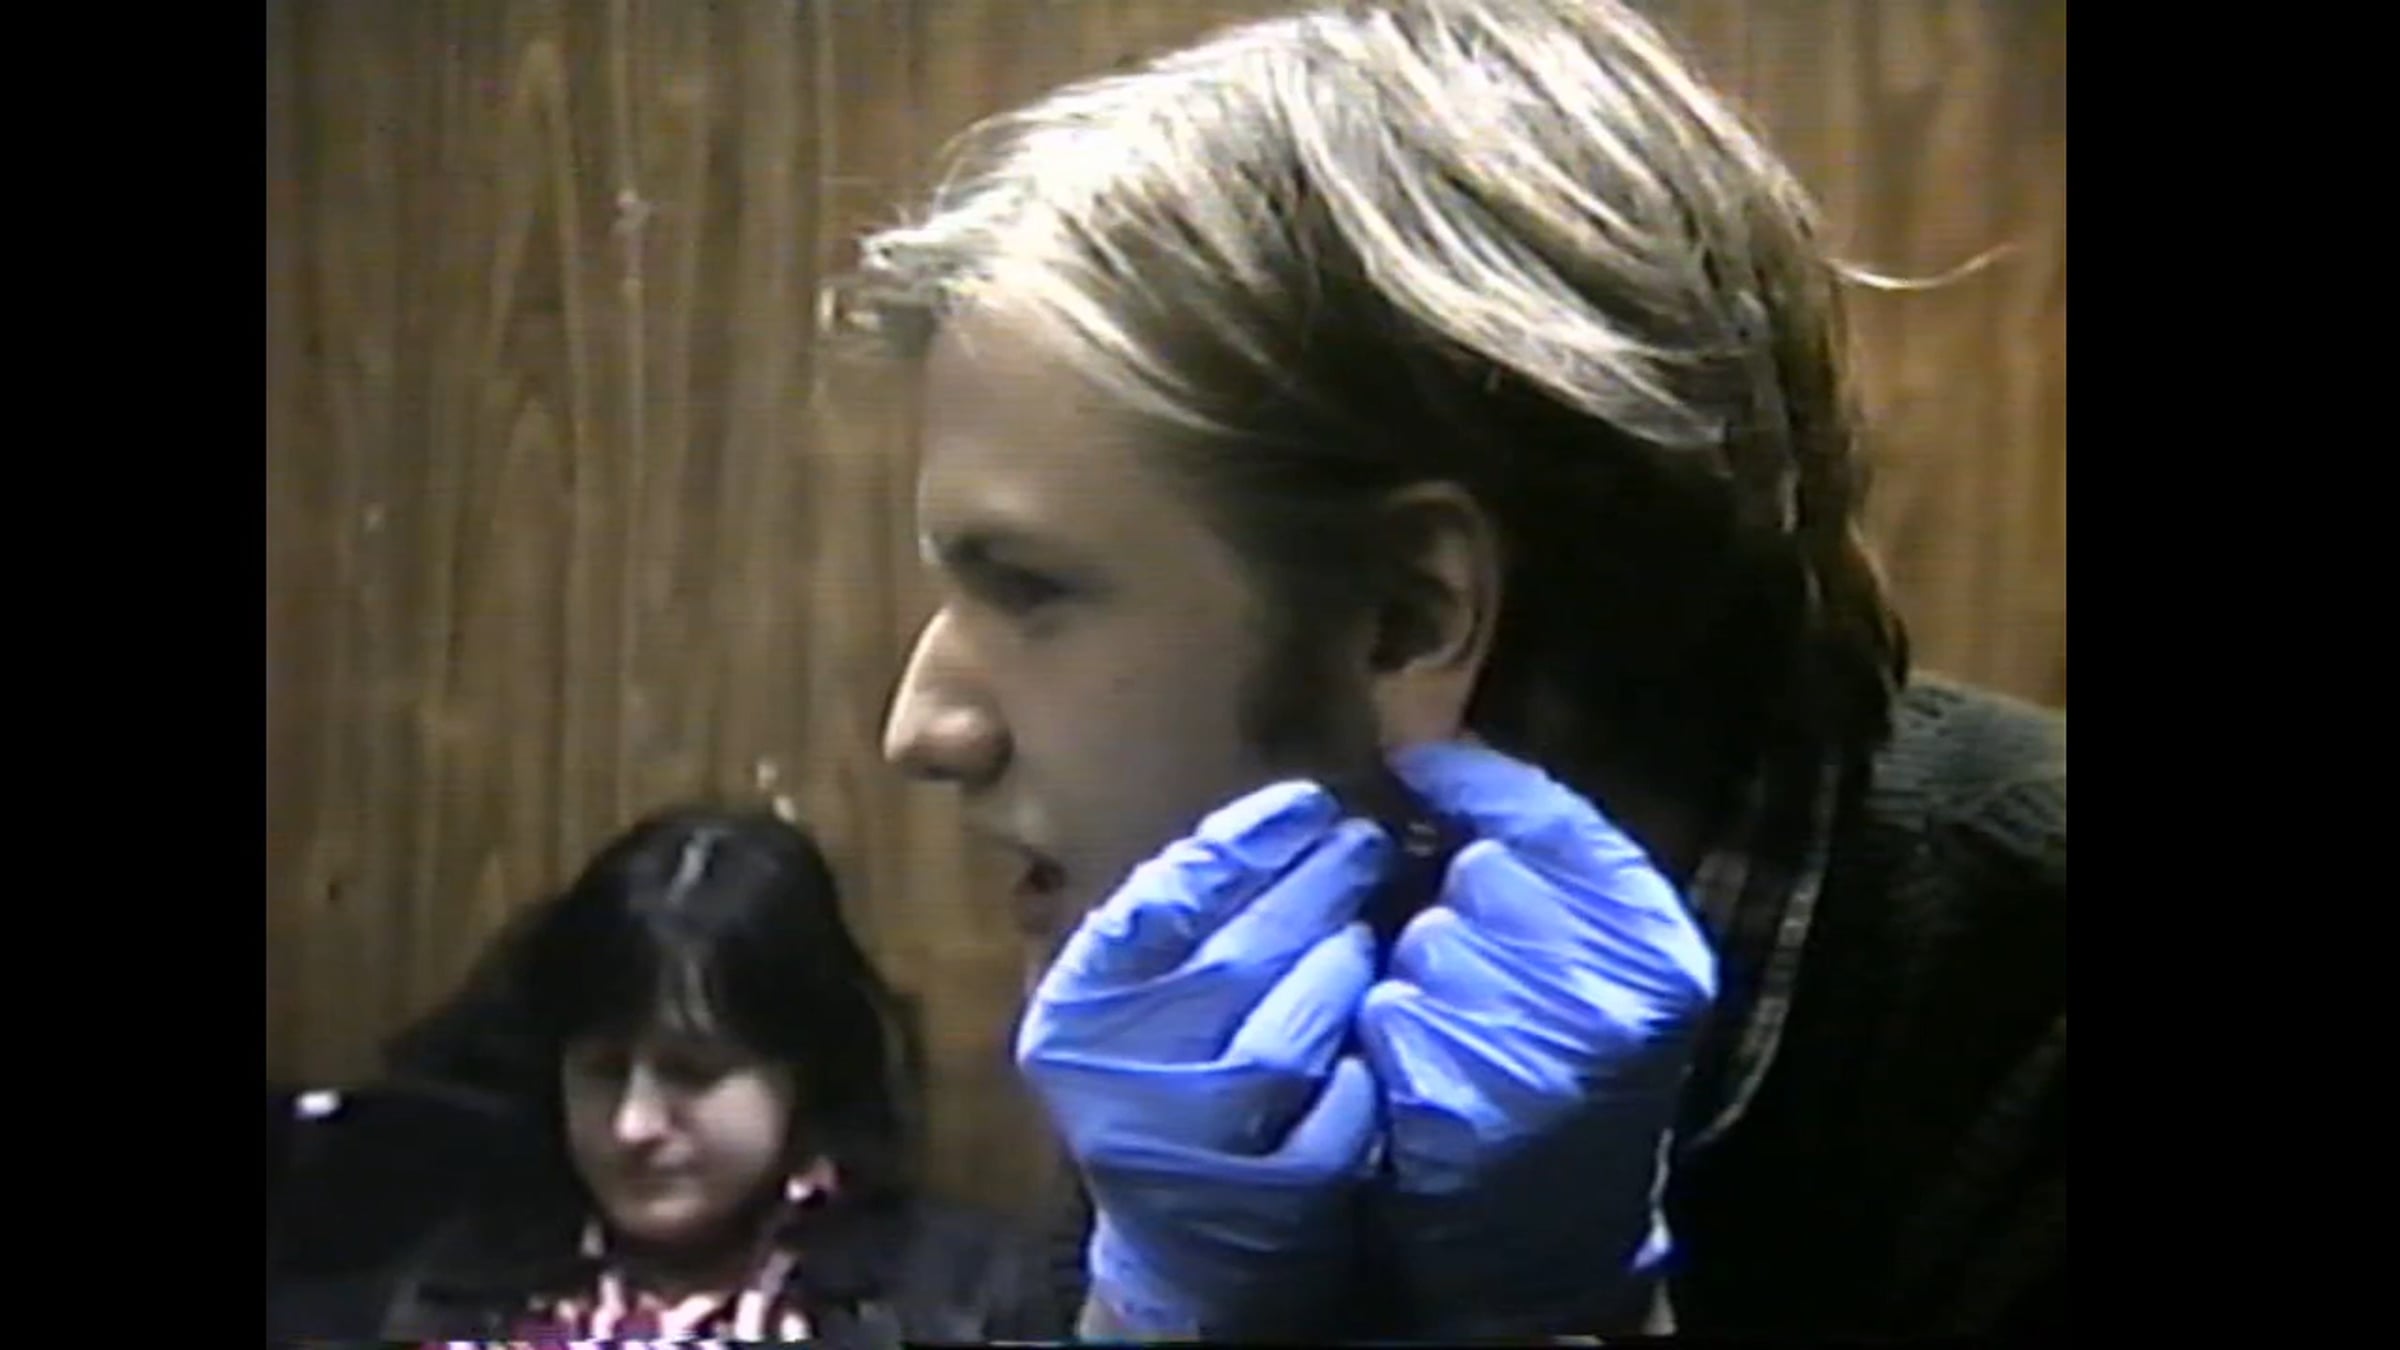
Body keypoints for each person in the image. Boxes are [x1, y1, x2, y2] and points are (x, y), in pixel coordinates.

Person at [829, 0, 2064, 1340]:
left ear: (1409, 620)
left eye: (1027, 586)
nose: (923, 725)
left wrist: (1570, 1320)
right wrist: (1149, 1316)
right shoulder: (1250, 994)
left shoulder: (2026, 1002)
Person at [266, 805, 1060, 1345]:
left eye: (692, 1074)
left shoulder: (967, 1300)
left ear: (801, 1068)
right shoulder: (440, 1279)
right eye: (603, 1071)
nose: (633, 1125)